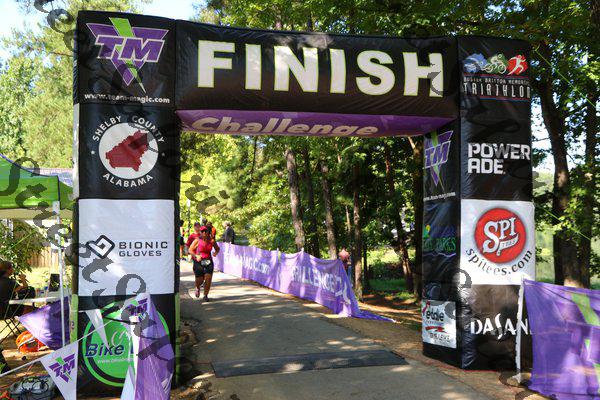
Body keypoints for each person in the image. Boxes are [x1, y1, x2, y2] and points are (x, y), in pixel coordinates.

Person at [189, 226, 220, 302]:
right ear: (200, 232)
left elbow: (217, 248)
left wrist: (215, 253)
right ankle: (197, 287)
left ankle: (205, 295)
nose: (204, 233)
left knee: (208, 278)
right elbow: (190, 250)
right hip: (198, 262)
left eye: (206, 231)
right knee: (199, 280)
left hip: (208, 261)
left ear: (208, 232)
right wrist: (196, 256)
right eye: (202, 231)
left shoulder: (212, 241)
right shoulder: (197, 240)